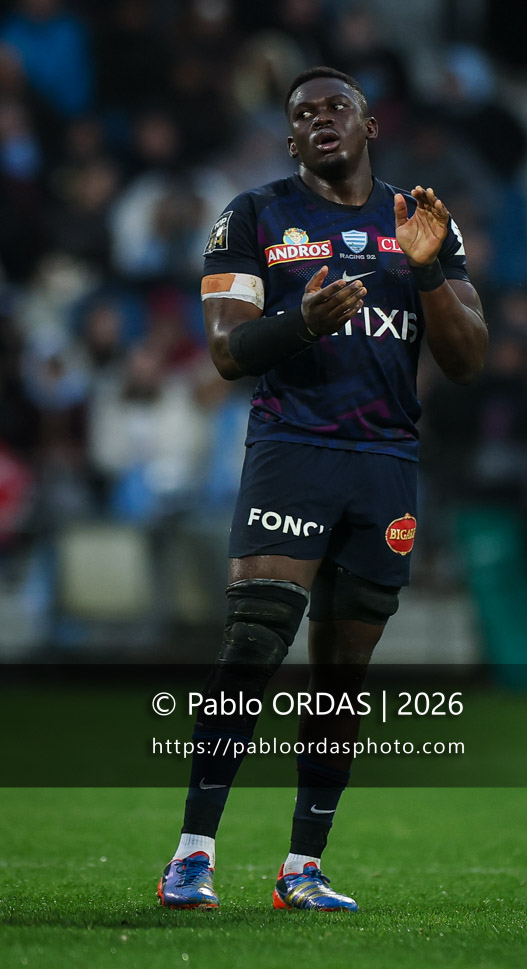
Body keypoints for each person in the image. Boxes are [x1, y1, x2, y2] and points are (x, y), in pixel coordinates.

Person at [157, 65, 488, 912]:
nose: (319, 120)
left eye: (336, 107)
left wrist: (422, 271)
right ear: (291, 137)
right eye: (303, 115)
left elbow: (468, 355)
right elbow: (227, 350)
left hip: (385, 464)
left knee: (342, 677)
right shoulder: (255, 214)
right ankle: (191, 854)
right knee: (255, 644)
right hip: (293, 447)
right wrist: (301, 319)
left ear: (370, 123)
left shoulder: (419, 221)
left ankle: (303, 868)